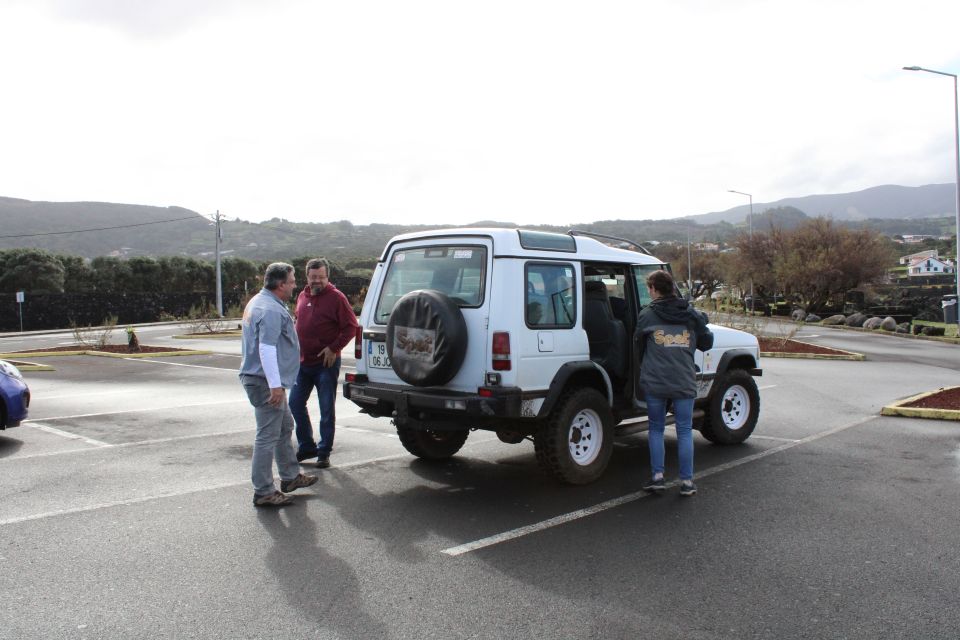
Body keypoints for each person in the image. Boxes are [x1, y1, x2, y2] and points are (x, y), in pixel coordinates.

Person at [239, 262, 318, 507]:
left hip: (266, 381)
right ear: (281, 284)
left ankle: (290, 476)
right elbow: (266, 347)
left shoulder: (260, 302)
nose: (295, 285)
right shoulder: (270, 310)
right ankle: (263, 491)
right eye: (293, 281)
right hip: (265, 383)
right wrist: (275, 385)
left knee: (285, 426)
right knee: (267, 436)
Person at [635, 269, 713, 497]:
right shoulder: (690, 314)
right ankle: (687, 482)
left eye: (649, 288)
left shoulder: (647, 315)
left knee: (656, 428)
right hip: (683, 380)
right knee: (685, 430)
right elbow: (706, 342)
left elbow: (638, 345)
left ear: (654, 289)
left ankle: (657, 478)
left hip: (655, 381)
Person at [290, 258, 359, 468]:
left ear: (327, 277)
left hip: (325, 365)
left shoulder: (337, 298)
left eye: (321, 277)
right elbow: (298, 321)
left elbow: (351, 327)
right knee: (294, 403)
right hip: (303, 363)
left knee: (326, 408)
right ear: (307, 277)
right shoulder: (302, 295)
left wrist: (334, 347)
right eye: (313, 278)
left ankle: (324, 452)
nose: (317, 281)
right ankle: (307, 446)